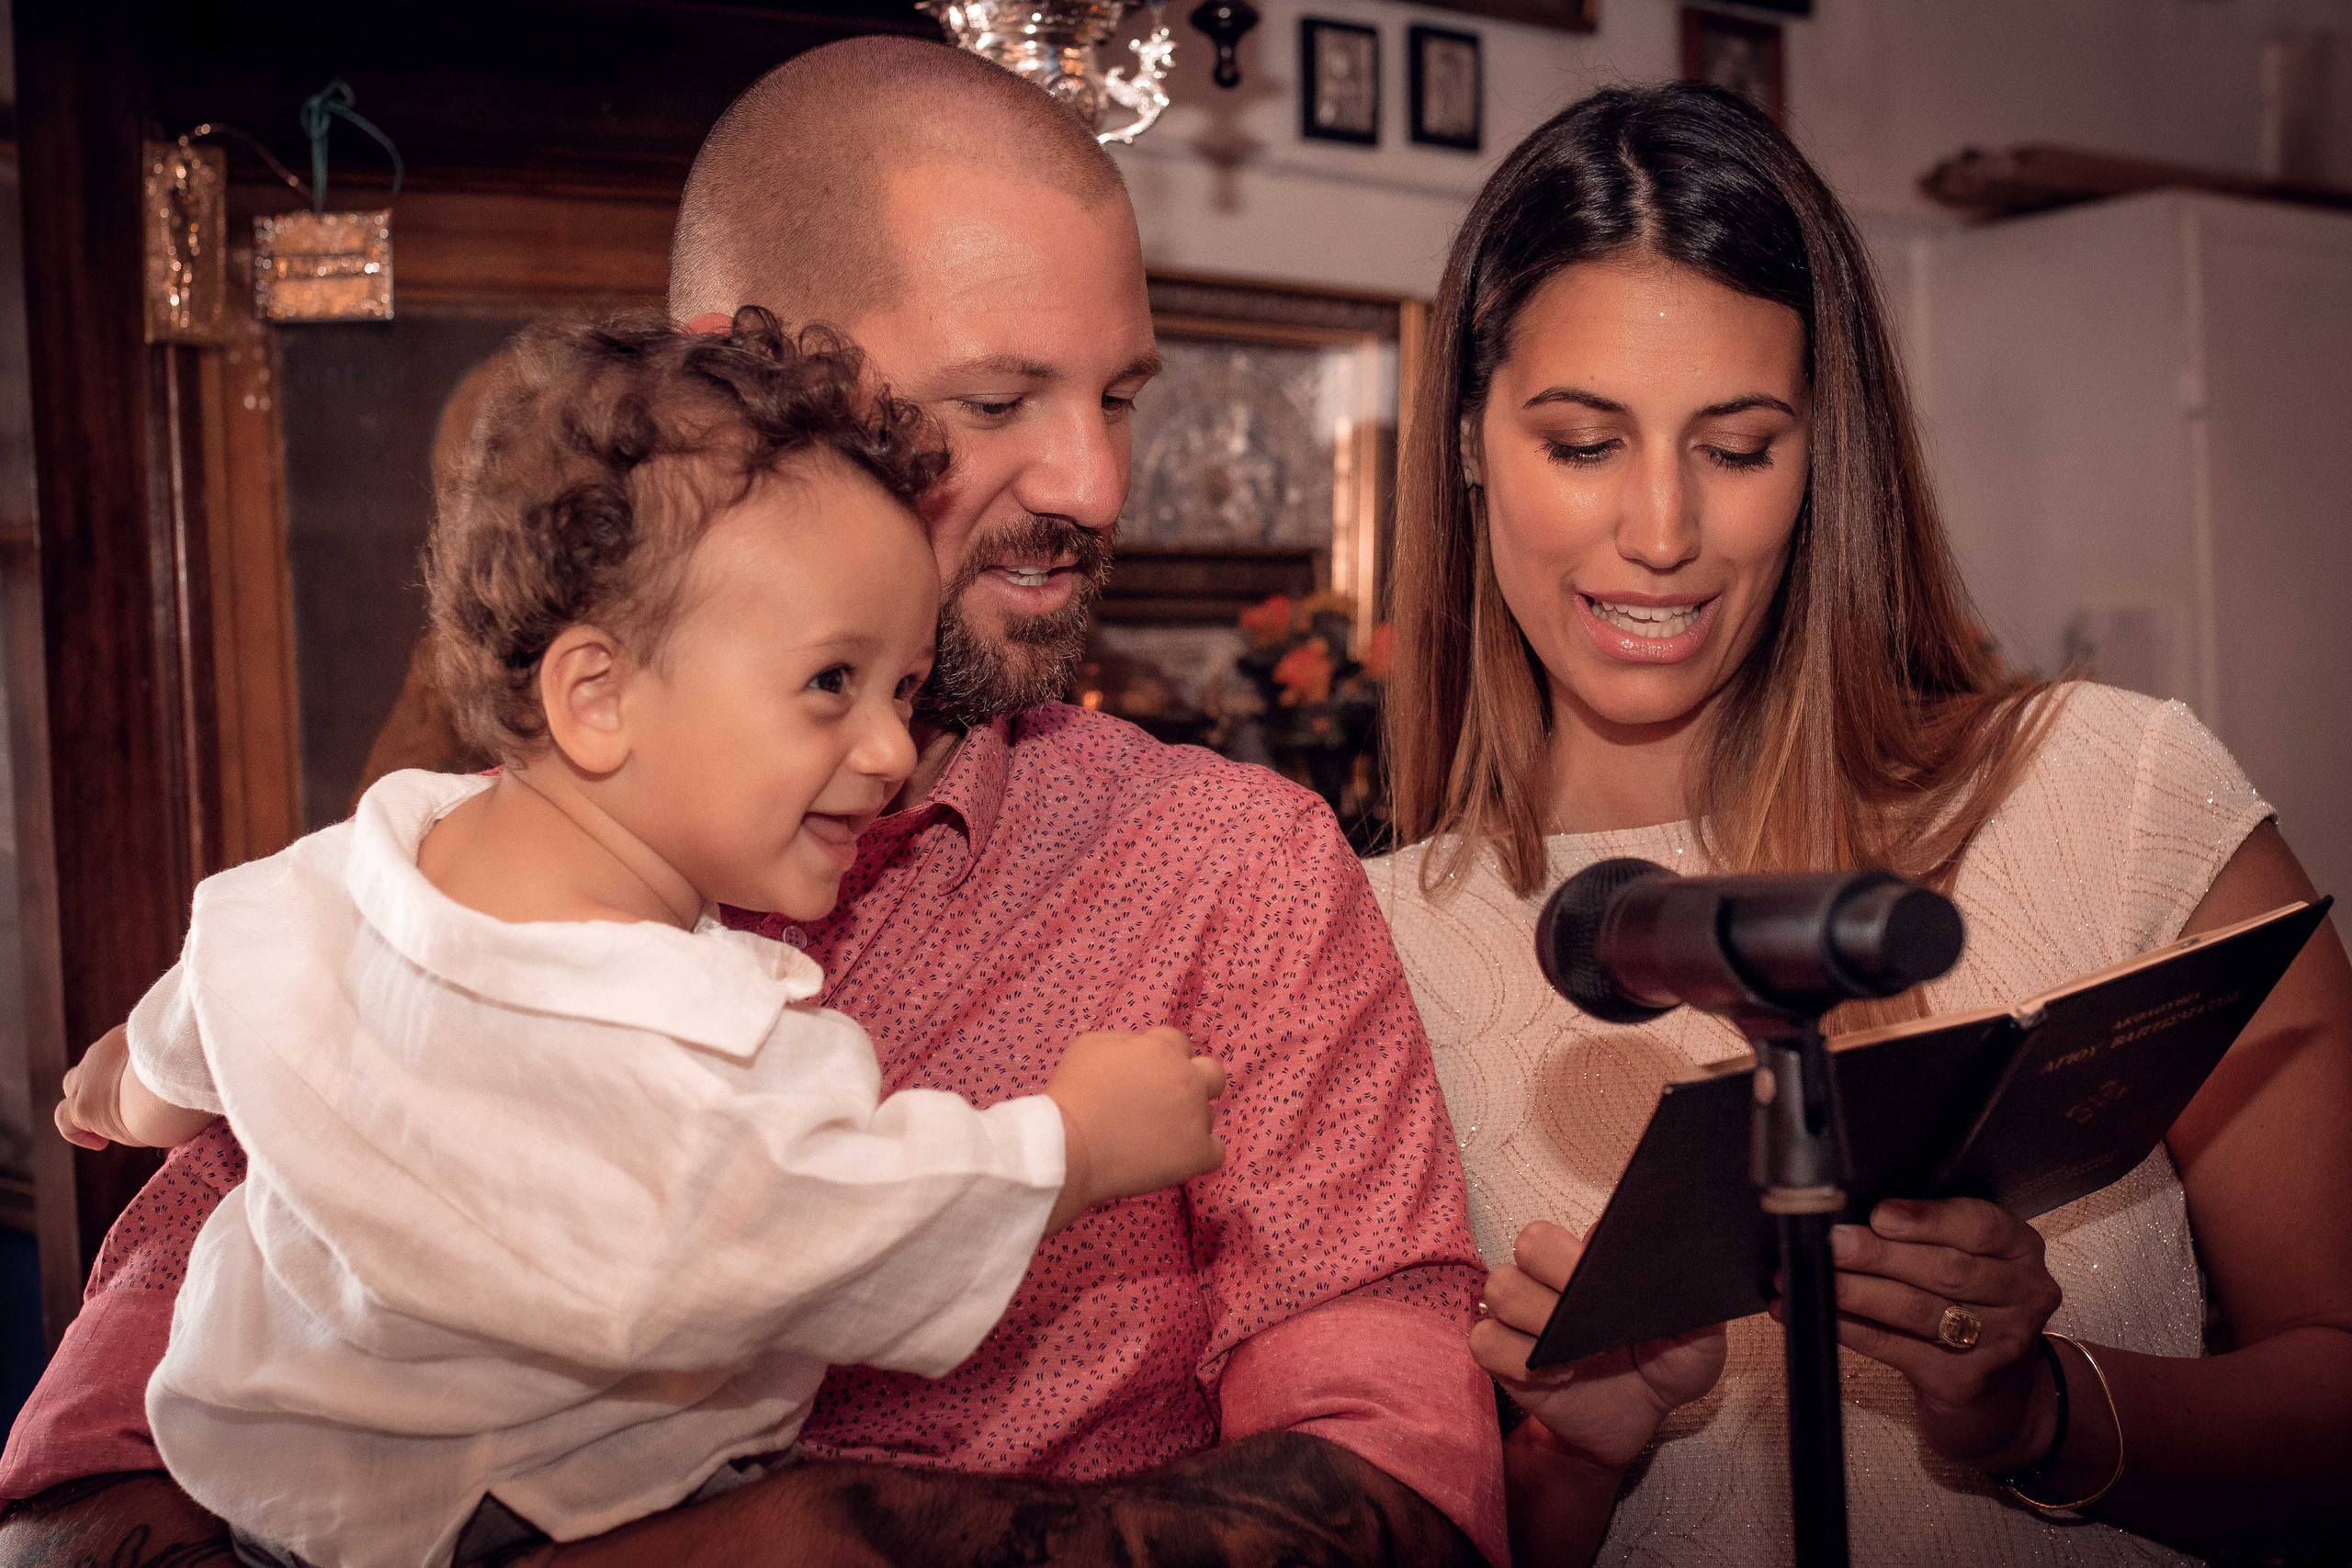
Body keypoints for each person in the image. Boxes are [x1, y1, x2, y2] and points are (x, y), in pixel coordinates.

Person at [0, 39, 1503, 1568]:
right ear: (754, 384)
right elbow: (82, 1485)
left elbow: (1402, 1504)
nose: (1098, 482)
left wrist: (831, 1535)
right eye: (997, 399)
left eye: (1119, 395)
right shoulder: (462, 892)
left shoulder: (1229, 876)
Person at [49, 310, 1230, 1568]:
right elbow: (823, 1220)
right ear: (598, 697)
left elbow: (225, 986)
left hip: (274, 1490)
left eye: (900, 690)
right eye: (832, 683)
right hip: (523, 1511)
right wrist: (1073, 1145)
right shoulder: (660, 1039)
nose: (889, 750)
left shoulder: (352, 870)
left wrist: (135, 1077)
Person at [1364, 81, 2352, 1566]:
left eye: (1738, 445)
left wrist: (2040, 1414)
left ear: (1826, 450)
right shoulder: (1357, 945)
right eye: (1581, 444)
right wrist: (1566, 1459)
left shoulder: (2117, 797)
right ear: (1465, 440)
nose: (1661, 530)